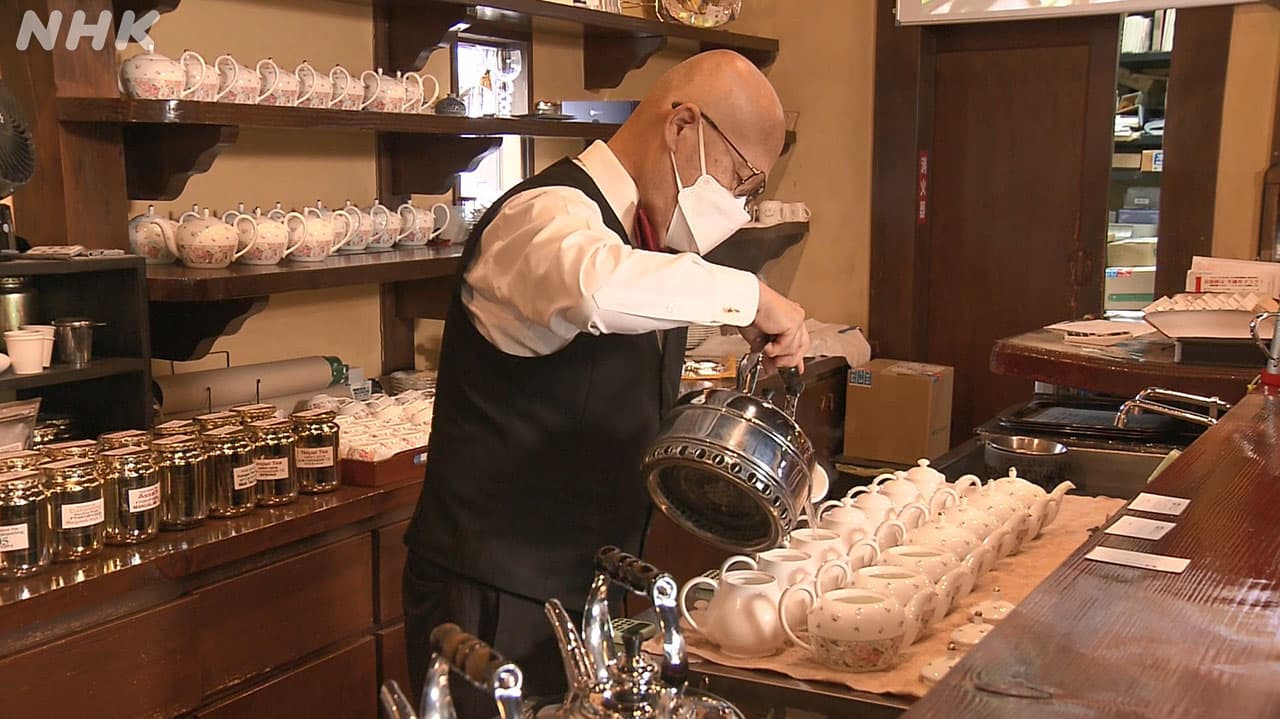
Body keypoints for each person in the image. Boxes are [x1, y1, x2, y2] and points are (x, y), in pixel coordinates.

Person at [402, 49, 811, 709]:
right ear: (682, 126)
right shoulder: (542, 216)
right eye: (740, 179)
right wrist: (751, 297)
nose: (737, 208)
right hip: (494, 597)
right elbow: (593, 285)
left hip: (586, 587)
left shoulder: (648, 243)